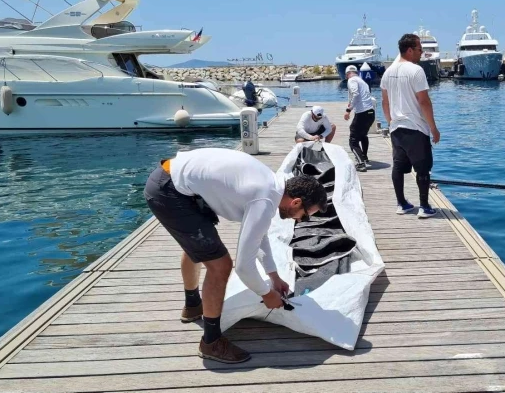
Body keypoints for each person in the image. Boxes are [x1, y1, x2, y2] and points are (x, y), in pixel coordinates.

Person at [144, 148, 328, 364]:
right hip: (170, 191)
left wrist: (274, 276)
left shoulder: (271, 186)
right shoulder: (265, 199)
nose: (299, 221)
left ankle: (193, 305)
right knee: (221, 265)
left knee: (198, 245)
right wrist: (266, 293)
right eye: (304, 217)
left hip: (175, 182)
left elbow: (260, 236)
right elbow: (243, 266)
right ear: (296, 202)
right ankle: (211, 342)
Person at [380, 33, 440, 218]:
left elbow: (384, 101)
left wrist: (391, 122)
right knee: (423, 168)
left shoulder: (388, 71)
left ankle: (402, 204)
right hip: (415, 127)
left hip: (396, 128)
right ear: (410, 50)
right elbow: (424, 102)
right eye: (420, 49)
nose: (422, 53)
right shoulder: (416, 71)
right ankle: (424, 207)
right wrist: (433, 128)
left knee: (398, 167)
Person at [344, 64, 376, 172]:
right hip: (371, 112)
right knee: (363, 135)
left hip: (362, 113)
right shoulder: (362, 81)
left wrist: (348, 110)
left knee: (353, 140)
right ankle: (365, 157)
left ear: (348, 74)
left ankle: (361, 163)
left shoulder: (352, 80)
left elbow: (356, 94)